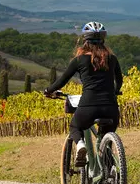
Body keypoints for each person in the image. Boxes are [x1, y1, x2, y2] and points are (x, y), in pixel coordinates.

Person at [44, 21, 123, 167]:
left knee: (75, 126)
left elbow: (61, 81)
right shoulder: (112, 59)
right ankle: (111, 175)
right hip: (110, 107)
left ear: (85, 40)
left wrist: (49, 91)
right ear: (103, 40)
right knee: (106, 142)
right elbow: (119, 80)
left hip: (88, 106)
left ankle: (80, 144)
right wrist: (116, 91)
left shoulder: (79, 60)